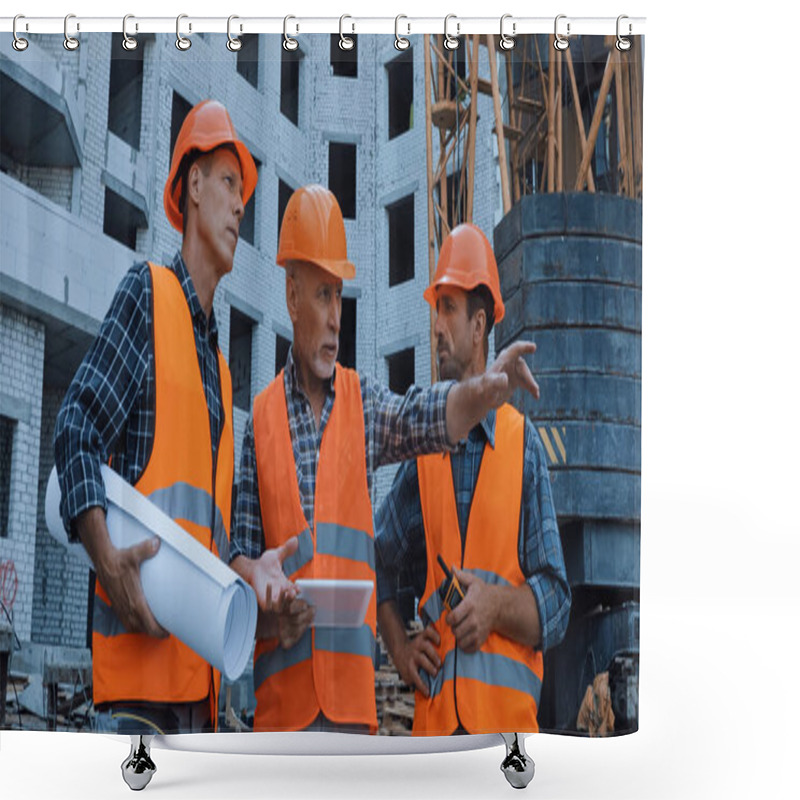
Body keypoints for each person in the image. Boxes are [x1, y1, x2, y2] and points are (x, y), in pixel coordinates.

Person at [230, 186, 542, 734]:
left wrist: (486, 392)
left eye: (339, 297)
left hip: (355, 717)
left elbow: (426, 415)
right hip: (280, 719)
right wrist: (268, 616)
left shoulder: (364, 404)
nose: (334, 318)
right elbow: (239, 574)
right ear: (292, 295)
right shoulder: (258, 421)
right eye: (321, 295)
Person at [54, 100, 294, 736]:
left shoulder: (219, 367)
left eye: (244, 192)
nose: (241, 205)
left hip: (200, 698)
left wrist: (250, 571)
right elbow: (75, 427)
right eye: (227, 182)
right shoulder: (146, 295)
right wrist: (106, 557)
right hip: (136, 698)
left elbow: (205, 534)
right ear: (191, 186)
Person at [374, 223, 571, 735]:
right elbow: (382, 562)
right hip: (437, 739)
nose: (436, 325)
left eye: (449, 310)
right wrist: (398, 646)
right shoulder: (422, 452)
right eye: (435, 309)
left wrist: (496, 607)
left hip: (505, 743)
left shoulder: (523, 446)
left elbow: (556, 600)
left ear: (480, 325)